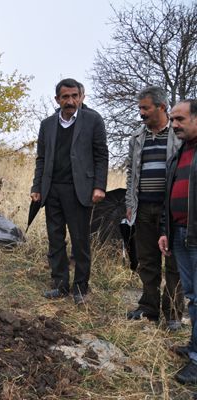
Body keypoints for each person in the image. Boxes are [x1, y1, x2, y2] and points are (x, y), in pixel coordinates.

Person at [31, 78, 108, 305]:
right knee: (55, 239)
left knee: (80, 241)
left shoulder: (93, 120)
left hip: (79, 191)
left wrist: (99, 186)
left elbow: (101, 155)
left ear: (81, 97)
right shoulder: (47, 124)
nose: (70, 101)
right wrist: (37, 187)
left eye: (75, 96)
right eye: (65, 97)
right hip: (51, 190)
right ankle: (60, 285)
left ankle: (81, 288)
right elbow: (41, 159)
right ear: (57, 99)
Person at [125, 86, 183, 330]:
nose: (141, 113)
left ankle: (172, 314)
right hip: (143, 208)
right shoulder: (137, 138)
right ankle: (149, 308)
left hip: (170, 210)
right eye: (140, 108)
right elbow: (131, 174)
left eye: (145, 108)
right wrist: (130, 203)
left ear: (161, 107)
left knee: (173, 262)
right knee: (147, 260)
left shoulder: (179, 135)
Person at [158, 99, 197, 384]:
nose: (174, 125)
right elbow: (168, 195)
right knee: (193, 297)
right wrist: (165, 231)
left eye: (180, 120)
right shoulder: (179, 153)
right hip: (180, 234)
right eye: (172, 120)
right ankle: (195, 347)